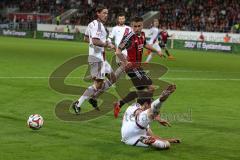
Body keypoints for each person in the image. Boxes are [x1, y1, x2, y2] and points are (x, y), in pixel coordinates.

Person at [113, 16, 163, 118]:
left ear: (142, 25)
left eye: (138, 26)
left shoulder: (143, 35)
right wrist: (126, 62)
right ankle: (148, 109)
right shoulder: (129, 37)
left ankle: (120, 104)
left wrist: (157, 51)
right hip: (132, 67)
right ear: (132, 26)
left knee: (140, 92)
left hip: (137, 67)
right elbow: (118, 51)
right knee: (151, 88)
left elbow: (146, 45)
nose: (136, 28)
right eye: (134, 26)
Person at [72, 5, 115, 114]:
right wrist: (106, 44)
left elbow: (86, 38)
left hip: (99, 57)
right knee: (98, 84)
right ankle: (78, 103)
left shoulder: (92, 24)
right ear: (98, 13)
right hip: (97, 58)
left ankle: (93, 97)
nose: (106, 15)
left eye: (107, 13)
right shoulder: (98, 26)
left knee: (113, 78)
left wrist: (101, 45)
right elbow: (95, 41)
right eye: (104, 13)